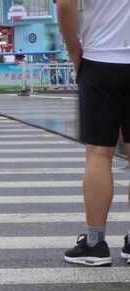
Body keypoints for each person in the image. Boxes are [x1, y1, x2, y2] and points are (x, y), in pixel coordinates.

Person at [59, 0, 130, 267]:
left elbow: (65, 5)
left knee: (99, 153)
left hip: (100, 59)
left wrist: (73, 46)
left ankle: (94, 243)